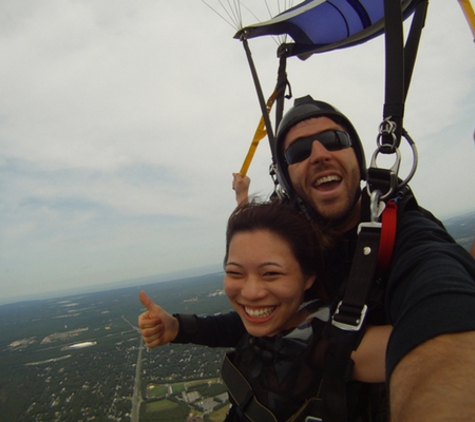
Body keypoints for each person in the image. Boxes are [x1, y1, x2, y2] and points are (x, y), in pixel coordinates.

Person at [150, 96, 475, 421]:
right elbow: (261, 316)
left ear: (358, 159)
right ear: (287, 176)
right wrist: (181, 327)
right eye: (299, 151)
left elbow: (443, 315)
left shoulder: (404, 233)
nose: (320, 154)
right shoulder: (292, 237)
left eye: (335, 140)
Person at [139, 200, 391, 421]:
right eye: (235, 273)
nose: (250, 292)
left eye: (270, 273)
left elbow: (422, 356)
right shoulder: (268, 325)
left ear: (308, 277)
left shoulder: (339, 344)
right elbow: (231, 326)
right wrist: (177, 327)